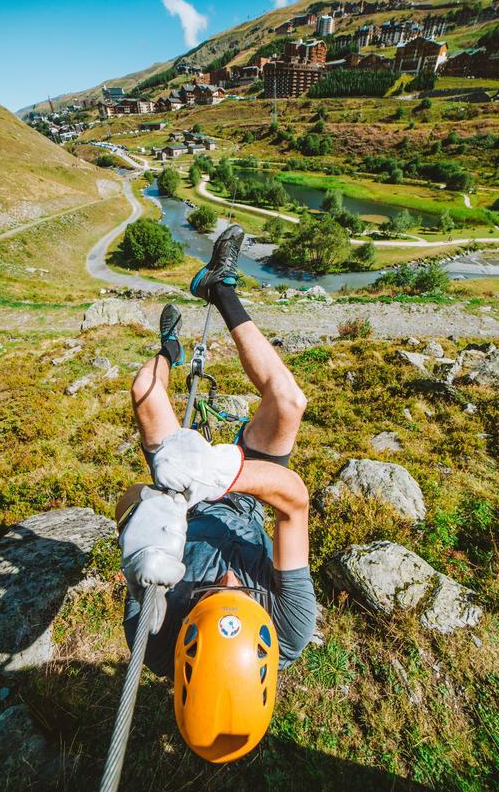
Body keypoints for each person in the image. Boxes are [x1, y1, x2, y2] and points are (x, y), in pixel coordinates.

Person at [116, 225, 316, 763]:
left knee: (144, 392)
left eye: (209, 595)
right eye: (243, 594)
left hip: (182, 498)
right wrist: (219, 471)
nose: (229, 579)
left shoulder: (154, 631)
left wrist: (148, 503)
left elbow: (126, 508)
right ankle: (220, 287)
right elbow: (293, 501)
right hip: (245, 494)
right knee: (289, 402)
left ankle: (169, 349)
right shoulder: (291, 628)